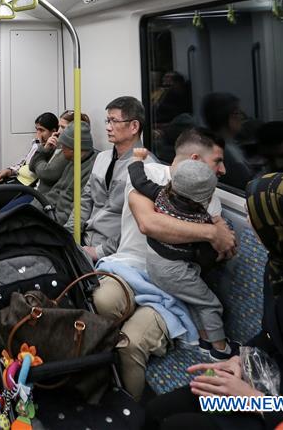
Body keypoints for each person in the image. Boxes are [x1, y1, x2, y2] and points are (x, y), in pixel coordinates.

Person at [145, 173, 283, 429]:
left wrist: (253, 400)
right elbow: (272, 335)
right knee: (160, 410)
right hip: (264, 380)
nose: (249, 222)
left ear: (282, 225)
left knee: (180, 426)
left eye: (255, 216)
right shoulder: (281, 264)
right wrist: (241, 360)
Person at [92, 127, 237, 400]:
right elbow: (150, 223)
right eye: (217, 161)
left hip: (172, 288)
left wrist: (219, 235)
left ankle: (129, 410)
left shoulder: (208, 194)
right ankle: (92, 382)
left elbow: (222, 243)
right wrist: (210, 232)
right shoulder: (151, 176)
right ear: (195, 159)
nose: (223, 170)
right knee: (103, 302)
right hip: (130, 268)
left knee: (130, 344)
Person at [128, 150, 237, 360]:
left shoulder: (159, 194)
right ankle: (221, 350)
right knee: (210, 303)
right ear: (206, 197)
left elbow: (138, 179)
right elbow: (207, 258)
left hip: (153, 262)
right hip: (175, 271)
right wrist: (222, 240)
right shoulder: (201, 220)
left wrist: (138, 159)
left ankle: (205, 340)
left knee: (196, 300)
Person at [66, 96, 153, 261]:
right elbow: (85, 201)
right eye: (107, 121)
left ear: (134, 126)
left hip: (114, 252)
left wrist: (98, 252)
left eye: (113, 121)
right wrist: (69, 236)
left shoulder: (147, 168)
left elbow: (136, 227)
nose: (107, 127)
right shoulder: (102, 158)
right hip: (84, 240)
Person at [201, 92, 252, 190]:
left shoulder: (226, 144)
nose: (242, 117)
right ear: (226, 117)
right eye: (237, 113)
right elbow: (243, 184)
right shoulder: (223, 153)